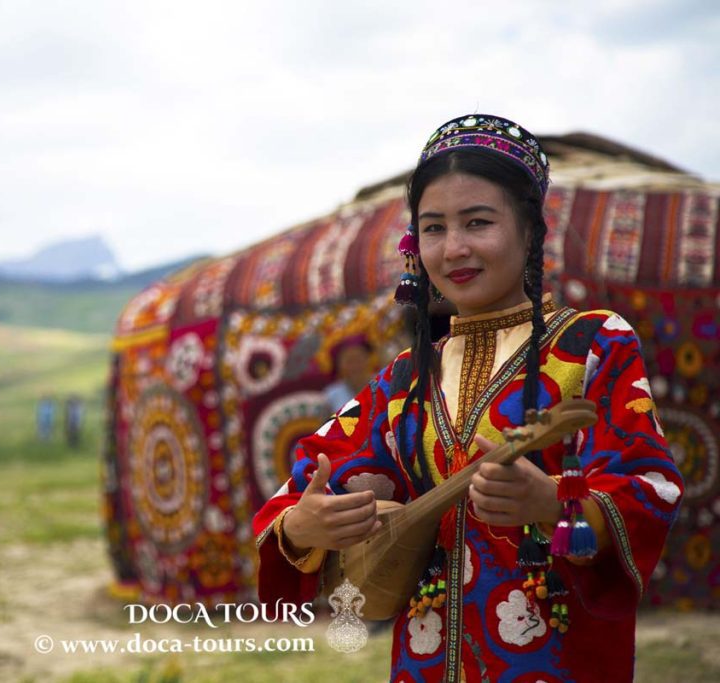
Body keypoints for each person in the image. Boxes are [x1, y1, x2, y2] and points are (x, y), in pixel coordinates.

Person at [252, 114, 682, 682]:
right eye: (433, 228)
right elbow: (303, 488)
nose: (454, 248)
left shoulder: (592, 344)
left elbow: (650, 487)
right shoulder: (405, 381)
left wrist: (552, 501)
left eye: (478, 222)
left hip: (553, 661)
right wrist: (303, 527)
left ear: (530, 229)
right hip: (424, 663)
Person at [324, 335, 378, 414]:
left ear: (368, 360)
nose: (355, 366)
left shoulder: (383, 385)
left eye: (359, 360)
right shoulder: (332, 395)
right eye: (349, 361)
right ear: (339, 365)